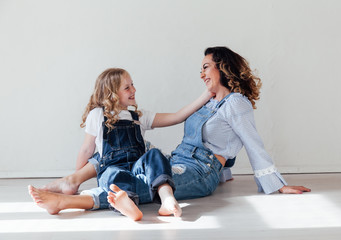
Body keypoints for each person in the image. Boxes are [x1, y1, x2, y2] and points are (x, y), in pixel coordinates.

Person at [32, 46, 310, 214]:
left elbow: (251, 141)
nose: (201, 73)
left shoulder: (236, 103)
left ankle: (71, 202)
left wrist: (277, 185)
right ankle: (72, 181)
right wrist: (227, 173)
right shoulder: (213, 102)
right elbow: (222, 136)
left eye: (206, 67)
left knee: (142, 185)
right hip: (179, 161)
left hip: (200, 171)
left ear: (223, 67)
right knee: (125, 160)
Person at [28, 68, 213, 221]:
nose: (133, 89)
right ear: (112, 94)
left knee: (155, 155)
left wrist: (206, 95)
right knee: (115, 175)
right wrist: (77, 176)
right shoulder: (97, 115)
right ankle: (129, 206)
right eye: (127, 87)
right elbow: (87, 149)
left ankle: (167, 197)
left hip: (137, 168)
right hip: (112, 168)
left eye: (132, 84)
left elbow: (177, 116)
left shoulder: (139, 117)